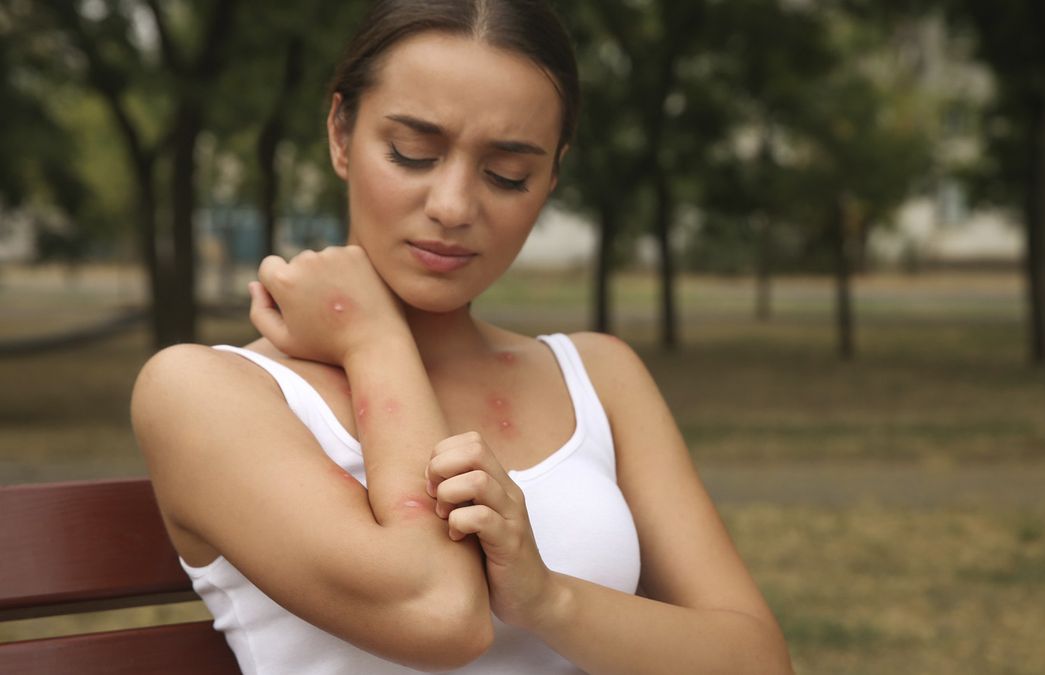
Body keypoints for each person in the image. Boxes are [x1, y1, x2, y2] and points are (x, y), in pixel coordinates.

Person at [131, 1, 792, 673]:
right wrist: (373, 340)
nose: (452, 206)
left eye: (508, 172)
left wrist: (548, 598)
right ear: (340, 133)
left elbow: (757, 660)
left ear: (552, 176)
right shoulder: (205, 393)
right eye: (413, 152)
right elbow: (442, 615)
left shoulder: (599, 376)